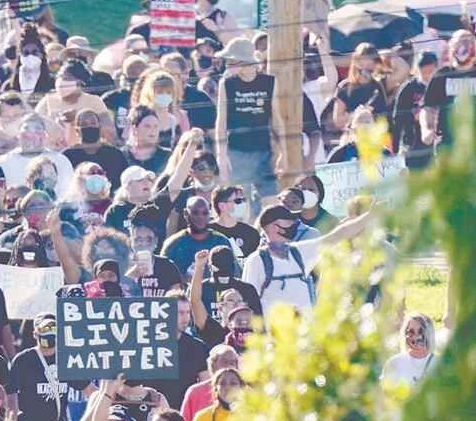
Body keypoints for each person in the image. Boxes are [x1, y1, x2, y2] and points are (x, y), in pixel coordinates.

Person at [241, 203, 376, 318]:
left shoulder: (299, 252)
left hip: (305, 337)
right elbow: (246, 301)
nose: (295, 224)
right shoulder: (256, 261)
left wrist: (368, 216)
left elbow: (338, 235)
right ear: (275, 227)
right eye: (289, 221)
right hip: (275, 339)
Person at [7, 315, 83, 421]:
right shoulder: (23, 360)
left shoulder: (67, 358)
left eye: (53, 332)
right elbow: (10, 392)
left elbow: (88, 388)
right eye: (44, 332)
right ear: (35, 334)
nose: (49, 338)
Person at [215, 37, 286, 207]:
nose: (227, 65)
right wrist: (221, 153)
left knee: (271, 203)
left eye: (231, 61)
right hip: (236, 151)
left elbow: (276, 118)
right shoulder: (227, 84)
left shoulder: (269, 82)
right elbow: (221, 120)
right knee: (240, 205)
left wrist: (284, 153)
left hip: (264, 151)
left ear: (244, 61)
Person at [421, 29, 476, 149]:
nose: (463, 46)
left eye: (467, 42)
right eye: (459, 42)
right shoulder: (442, 75)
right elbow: (428, 107)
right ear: (451, 46)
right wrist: (427, 129)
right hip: (448, 141)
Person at [160, 196, 235, 280]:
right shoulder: (172, 244)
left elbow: (236, 275)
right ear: (185, 213)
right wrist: (181, 280)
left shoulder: (221, 241)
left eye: (205, 213)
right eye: (195, 213)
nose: (200, 217)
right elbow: (162, 277)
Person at [383, 312, 436, 387]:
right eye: (410, 332)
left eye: (421, 332)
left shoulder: (440, 362)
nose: (416, 337)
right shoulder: (393, 363)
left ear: (429, 334)